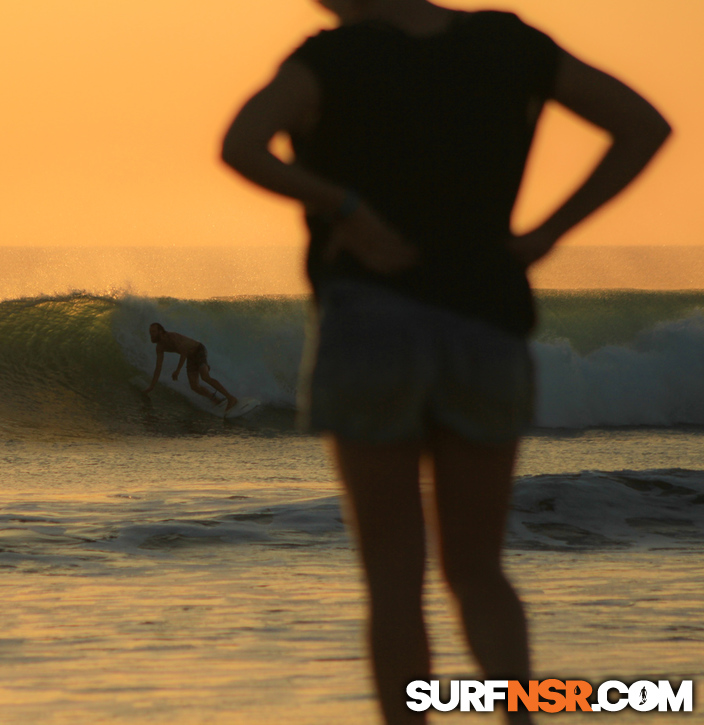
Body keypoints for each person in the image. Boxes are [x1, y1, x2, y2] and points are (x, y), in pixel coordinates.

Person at [220, 1, 670, 723]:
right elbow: (644, 125)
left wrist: (345, 209)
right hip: (485, 324)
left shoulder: (330, 60)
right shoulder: (507, 45)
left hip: (371, 326)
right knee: (480, 572)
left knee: (394, 582)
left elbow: (241, 145)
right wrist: (548, 232)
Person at [143, 323, 238, 410]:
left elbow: (184, 352)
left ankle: (231, 398)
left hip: (198, 350)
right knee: (194, 386)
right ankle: (216, 400)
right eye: (150, 332)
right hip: (190, 357)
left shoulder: (172, 337)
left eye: (153, 331)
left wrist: (178, 370)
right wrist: (151, 386)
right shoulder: (160, 347)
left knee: (204, 377)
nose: (151, 334)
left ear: (160, 331)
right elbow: (158, 367)